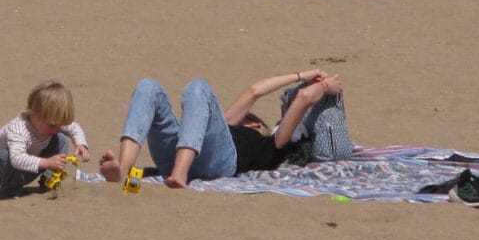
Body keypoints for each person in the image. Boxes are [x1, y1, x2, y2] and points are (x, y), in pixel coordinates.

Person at [98, 70, 343, 189]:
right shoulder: (224, 126)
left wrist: (325, 87)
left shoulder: (274, 143)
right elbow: (254, 91)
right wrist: (302, 74)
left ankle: (180, 173)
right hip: (180, 153)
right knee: (148, 86)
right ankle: (123, 170)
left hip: (220, 163)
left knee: (198, 88)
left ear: (256, 125)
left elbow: (303, 98)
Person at [0, 80, 90, 195]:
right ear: (33, 114)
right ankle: (11, 190)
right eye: (52, 125)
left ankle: (49, 178)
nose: (56, 129)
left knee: (61, 139)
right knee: (7, 155)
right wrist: (47, 162)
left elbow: (73, 127)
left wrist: (80, 144)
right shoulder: (19, 129)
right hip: (3, 171)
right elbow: (16, 159)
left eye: (59, 124)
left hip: (32, 167)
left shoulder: (52, 121)